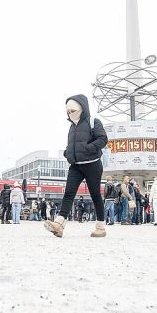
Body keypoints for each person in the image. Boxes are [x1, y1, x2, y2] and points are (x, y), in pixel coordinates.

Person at [43, 94, 108, 238]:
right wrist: (68, 153)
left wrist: (87, 148)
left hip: (92, 164)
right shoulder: (72, 127)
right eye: (68, 112)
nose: (70, 114)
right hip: (76, 166)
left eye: (72, 111)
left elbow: (103, 139)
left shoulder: (93, 122)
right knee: (68, 193)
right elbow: (71, 145)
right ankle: (59, 224)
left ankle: (101, 227)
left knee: (95, 195)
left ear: (81, 108)